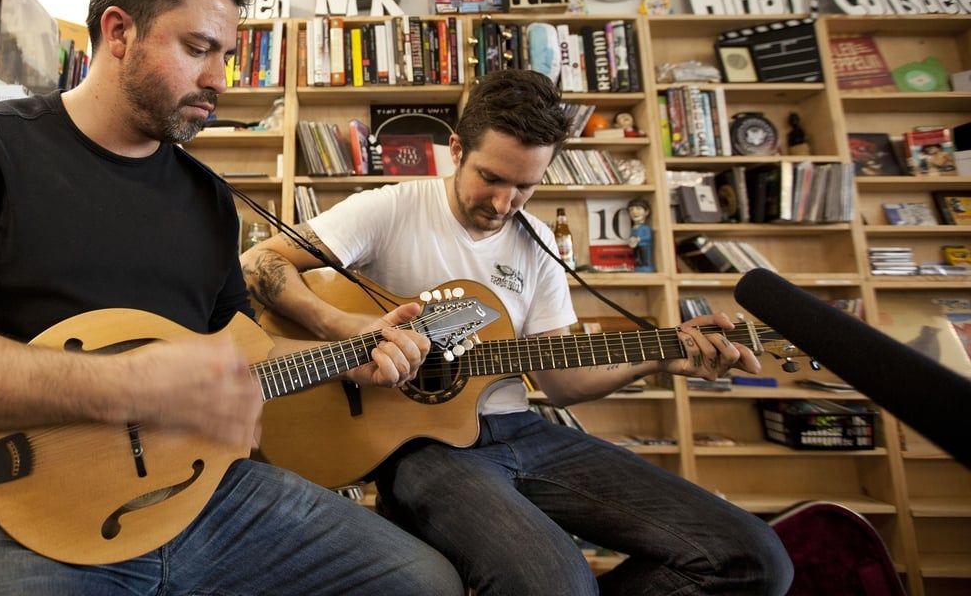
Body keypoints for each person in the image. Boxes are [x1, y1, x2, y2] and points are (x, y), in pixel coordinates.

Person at [0, 0, 464, 596]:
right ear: (119, 32)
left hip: (208, 500)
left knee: (421, 580)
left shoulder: (209, 201)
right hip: (1, 515)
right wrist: (130, 385)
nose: (216, 80)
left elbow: (234, 354)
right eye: (197, 49)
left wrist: (347, 348)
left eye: (224, 55)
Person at [241, 68, 794, 595]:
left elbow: (562, 382)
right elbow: (260, 263)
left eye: (525, 186)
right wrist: (350, 329)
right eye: (491, 178)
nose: (504, 204)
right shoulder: (388, 209)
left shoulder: (538, 246)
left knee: (752, 558)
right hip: (421, 448)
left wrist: (659, 358)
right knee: (554, 584)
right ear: (457, 149)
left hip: (521, 431)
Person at [626, 197, 654, 272]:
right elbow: (632, 236)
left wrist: (639, 239)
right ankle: (640, 265)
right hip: (636, 246)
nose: (634, 212)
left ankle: (646, 265)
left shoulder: (645, 227)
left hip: (644, 246)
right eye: (631, 210)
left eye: (638, 209)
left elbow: (648, 237)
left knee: (645, 257)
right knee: (638, 257)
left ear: (647, 212)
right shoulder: (634, 228)